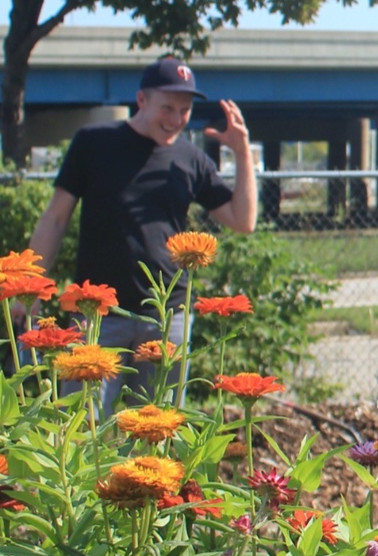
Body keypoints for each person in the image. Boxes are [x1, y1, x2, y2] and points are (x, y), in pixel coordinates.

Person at [24, 57, 256, 404]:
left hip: (166, 317)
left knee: (155, 435)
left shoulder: (191, 159)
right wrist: (29, 285)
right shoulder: (93, 142)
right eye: (167, 107)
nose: (176, 119)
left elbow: (243, 220)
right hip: (96, 313)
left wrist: (243, 153)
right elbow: (56, 218)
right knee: (82, 428)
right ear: (142, 100)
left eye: (185, 109)